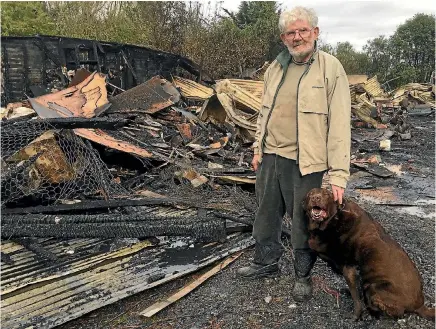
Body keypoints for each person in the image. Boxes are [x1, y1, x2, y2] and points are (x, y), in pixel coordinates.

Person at [237, 6, 351, 302]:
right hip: (270, 157)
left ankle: (303, 275)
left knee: (303, 221)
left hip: (305, 162)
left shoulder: (330, 68)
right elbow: (265, 112)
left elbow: (340, 124)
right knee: (264, 215)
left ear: (315, 32)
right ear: (283, 37)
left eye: (303, 31)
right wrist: (258, 148)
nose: (297, 37)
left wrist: (338, 174)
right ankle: (266, 262)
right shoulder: (275, 68)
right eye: (291, 32)